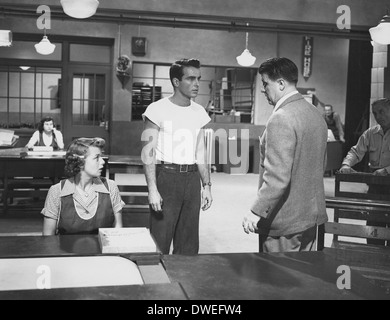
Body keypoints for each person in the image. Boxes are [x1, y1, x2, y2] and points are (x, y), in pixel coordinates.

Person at [242, 57, 328, 253]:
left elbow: (277, 176)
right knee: (305, 277)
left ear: (281, 83)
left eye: (265, 83)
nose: (263, 90)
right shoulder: (315, 114)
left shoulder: (281, 118)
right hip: (310, 218)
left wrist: (256, 211)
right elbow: (320, 165)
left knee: (277, 280)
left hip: (284, 222)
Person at [141, 58, 213, 255]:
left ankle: (185, 284)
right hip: (167, 177)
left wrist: (206, 185)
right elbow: (148, 152)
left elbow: (201, 151)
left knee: (188, 244)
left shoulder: (199, 112)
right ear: (175, 82)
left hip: (191, 180)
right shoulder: (156, 109)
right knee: (160, 241)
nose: (197, 84)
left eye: (198, 78)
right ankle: (158, 284)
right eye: (190, 79)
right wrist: (152, 189)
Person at [42, 137, 124, 235]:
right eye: (96, 158)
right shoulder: (57, 191)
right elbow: (48, 237)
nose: (102, 162)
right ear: (80, 162)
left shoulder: (111, 187)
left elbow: (118, 231)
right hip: (66, 250)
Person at [339, 98, 390, 246]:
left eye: (382, 112)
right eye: (375, 113)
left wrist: (386, 171)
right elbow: (355, 152)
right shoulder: (371, 133)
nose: (378, 116)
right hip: (375, 188)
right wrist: (346, 165)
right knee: (374, 228)